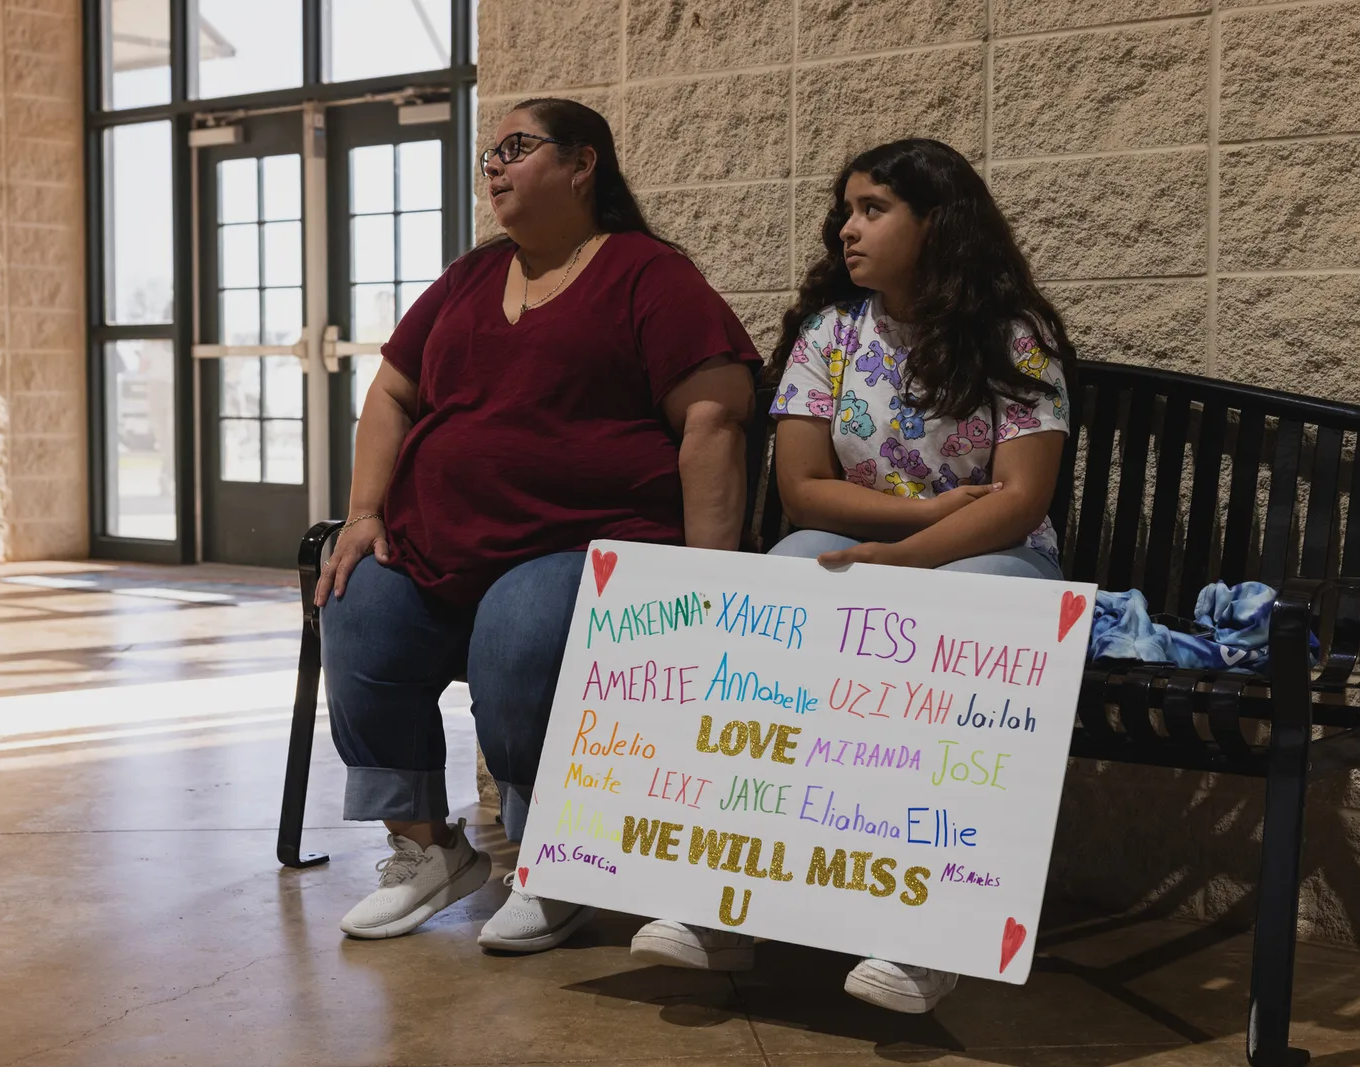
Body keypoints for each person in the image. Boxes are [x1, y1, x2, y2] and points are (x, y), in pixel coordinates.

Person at [627, 138, 1076, 1014]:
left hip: (999, 555)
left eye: (873, 209)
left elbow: (1020, 500)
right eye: (846, 209)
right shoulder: (829, 336)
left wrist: (902, 563)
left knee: (966, 613)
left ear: (937, 223)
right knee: (777, 589)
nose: (847, 228)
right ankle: (725, 900)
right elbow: (802, 490)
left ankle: (931, 931)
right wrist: (920, 521)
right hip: (870, 539)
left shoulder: (1012, 336)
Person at [315, 98, 759, 948]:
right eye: (490, 152)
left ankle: (552, 859)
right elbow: (393, 392)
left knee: (516, 631)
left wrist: (710, 583)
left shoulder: (647, 273)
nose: (494, 165)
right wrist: (365, 513)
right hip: (439, 544)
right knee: (356, 602)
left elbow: (715, 417)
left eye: (515, 147)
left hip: (581, 545)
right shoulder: (471, 278)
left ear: (583, 164)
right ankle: (426, 848)